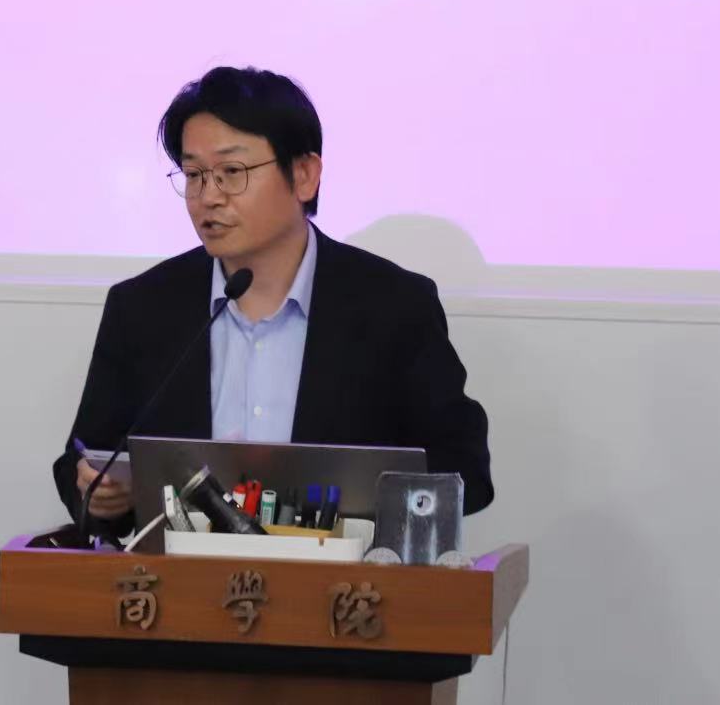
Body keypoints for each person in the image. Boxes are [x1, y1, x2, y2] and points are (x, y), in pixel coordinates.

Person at [53, 67, 493, 533]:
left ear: (304, 175)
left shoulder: (394, 306)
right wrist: (99, 495)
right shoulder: (142, 307)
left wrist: (370, 507)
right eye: (195, 174)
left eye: (231, 172)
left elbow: (464, 470)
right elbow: (83, 461)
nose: (208, 196)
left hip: (340, 572)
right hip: (181, 573)